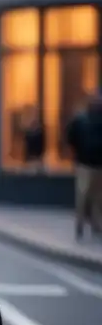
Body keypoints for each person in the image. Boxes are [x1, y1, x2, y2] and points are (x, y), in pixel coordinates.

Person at [65, 94, 102, 240]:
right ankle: (80, 224)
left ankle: (95, 224)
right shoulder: (81, 120)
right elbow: (71, 137)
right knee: (84, 195)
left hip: (94, 163)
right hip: (85, 164)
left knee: (96, 197)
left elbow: (70, 137)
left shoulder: (82, 120)